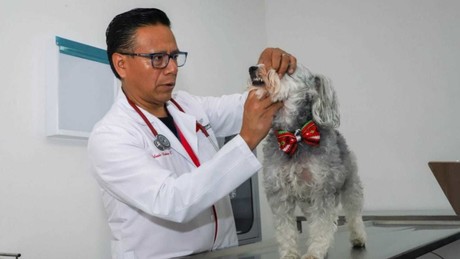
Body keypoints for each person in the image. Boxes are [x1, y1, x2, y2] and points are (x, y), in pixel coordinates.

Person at [88, 8, 297, 259]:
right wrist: (246, 141)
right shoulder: (111, 135)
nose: (172, 68)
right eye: (157, 58)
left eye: (174, 56)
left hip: (224, 252)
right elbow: (171, 201)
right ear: (121, 64)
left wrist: (267, 71)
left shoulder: (188, 106)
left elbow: (253, 104)